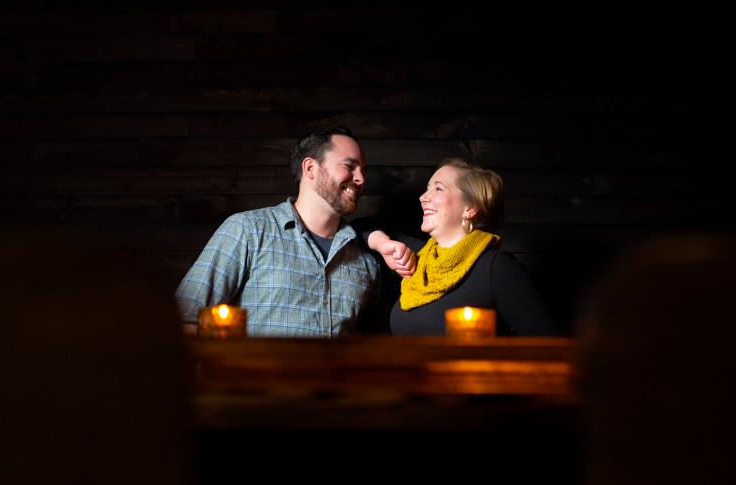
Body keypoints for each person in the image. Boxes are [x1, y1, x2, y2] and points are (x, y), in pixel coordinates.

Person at [174, 126, 415, 337]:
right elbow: (183, 318)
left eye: (363, 170)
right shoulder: (248, 230)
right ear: (311, 168)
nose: (361, 178)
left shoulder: (365, 259)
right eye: (350, 166)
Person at [362, 157, 565, 336]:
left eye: (438, 188)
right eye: (427, 188)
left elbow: (555, 347)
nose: (423, 197)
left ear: (470, 208)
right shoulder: (419, 259)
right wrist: (383, 244)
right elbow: (361, 227)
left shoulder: (496, 269)